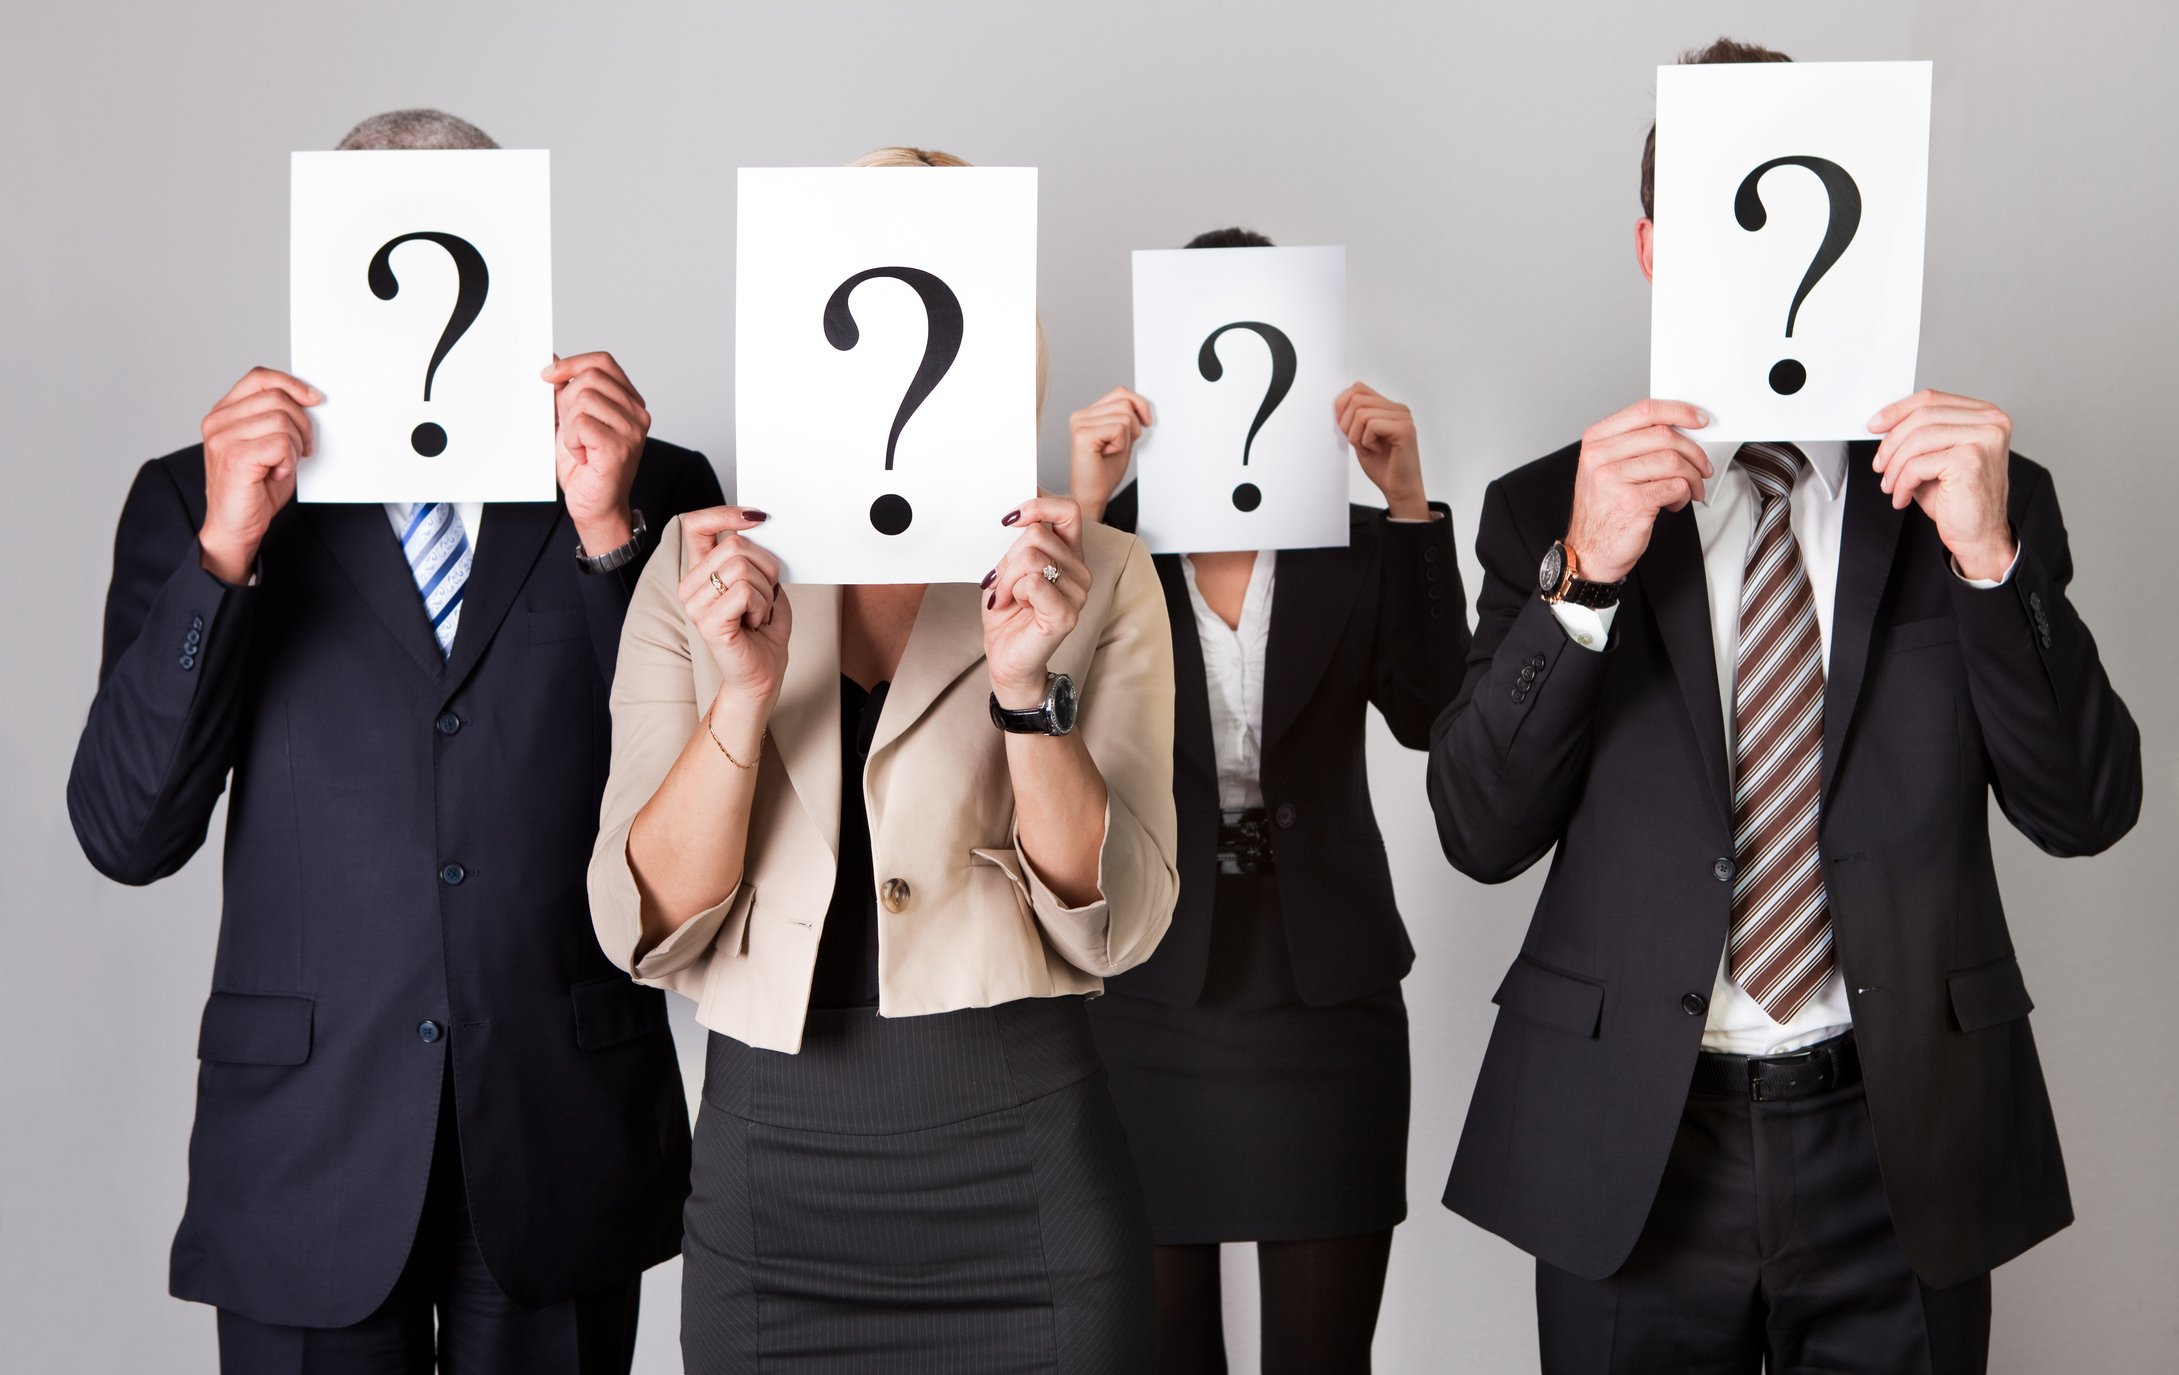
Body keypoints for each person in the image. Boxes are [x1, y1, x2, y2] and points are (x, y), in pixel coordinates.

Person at [1424, 38, 2143, 1375]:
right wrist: (1581, 577)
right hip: (1633, 1148)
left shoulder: (1982, 498)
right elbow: (1476, 829)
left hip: (1901, 1140)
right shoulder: (1544, 511)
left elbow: (2085, 808)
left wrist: (1990, 562)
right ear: (1654, 251)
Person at [66, 109, 722, 1375]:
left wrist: (607, 540)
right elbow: (127, 830)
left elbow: (708, 790)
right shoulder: (195, 499)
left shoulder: (652, 486)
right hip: (305, 1144)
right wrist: (223, 556)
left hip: (561, 1125)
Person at [587, 145, 1179, 1375]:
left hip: (1022, 1169)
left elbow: (1116, 924)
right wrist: (743, 696)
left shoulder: (1099, 571)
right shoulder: (699, 568)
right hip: (770, 1182)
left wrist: (1025, 693)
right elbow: (642, 923)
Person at [1064, 227, 1468, 1375]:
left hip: (1327, 998)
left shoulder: (1358, 542)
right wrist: (1084, 511)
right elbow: (1040, 719)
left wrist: (1407, 502)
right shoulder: (1107, 544)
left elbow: (1434, 713)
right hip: (1148, 988)